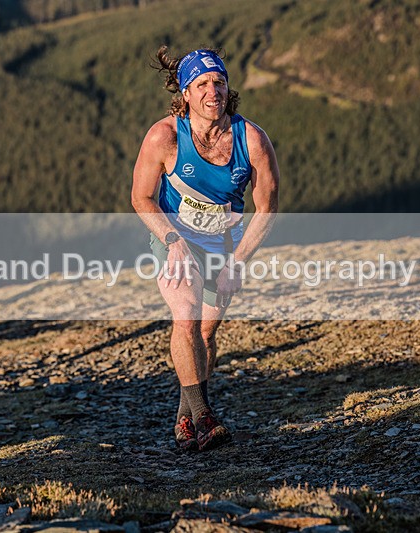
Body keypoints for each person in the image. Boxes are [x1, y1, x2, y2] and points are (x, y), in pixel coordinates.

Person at [131, 46, 280, 451]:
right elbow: (141, 198)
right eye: (201, 84)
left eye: (219, 82)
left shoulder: (252, 140)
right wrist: (172, 240)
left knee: (205, 332)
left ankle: (186, 413)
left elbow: (267, 208)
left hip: (223, 245)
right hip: (174, 238)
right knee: (186, 316)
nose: (212, 91)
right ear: (185, 94)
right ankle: (203, 417)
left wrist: (237, 262)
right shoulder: (164, 137)